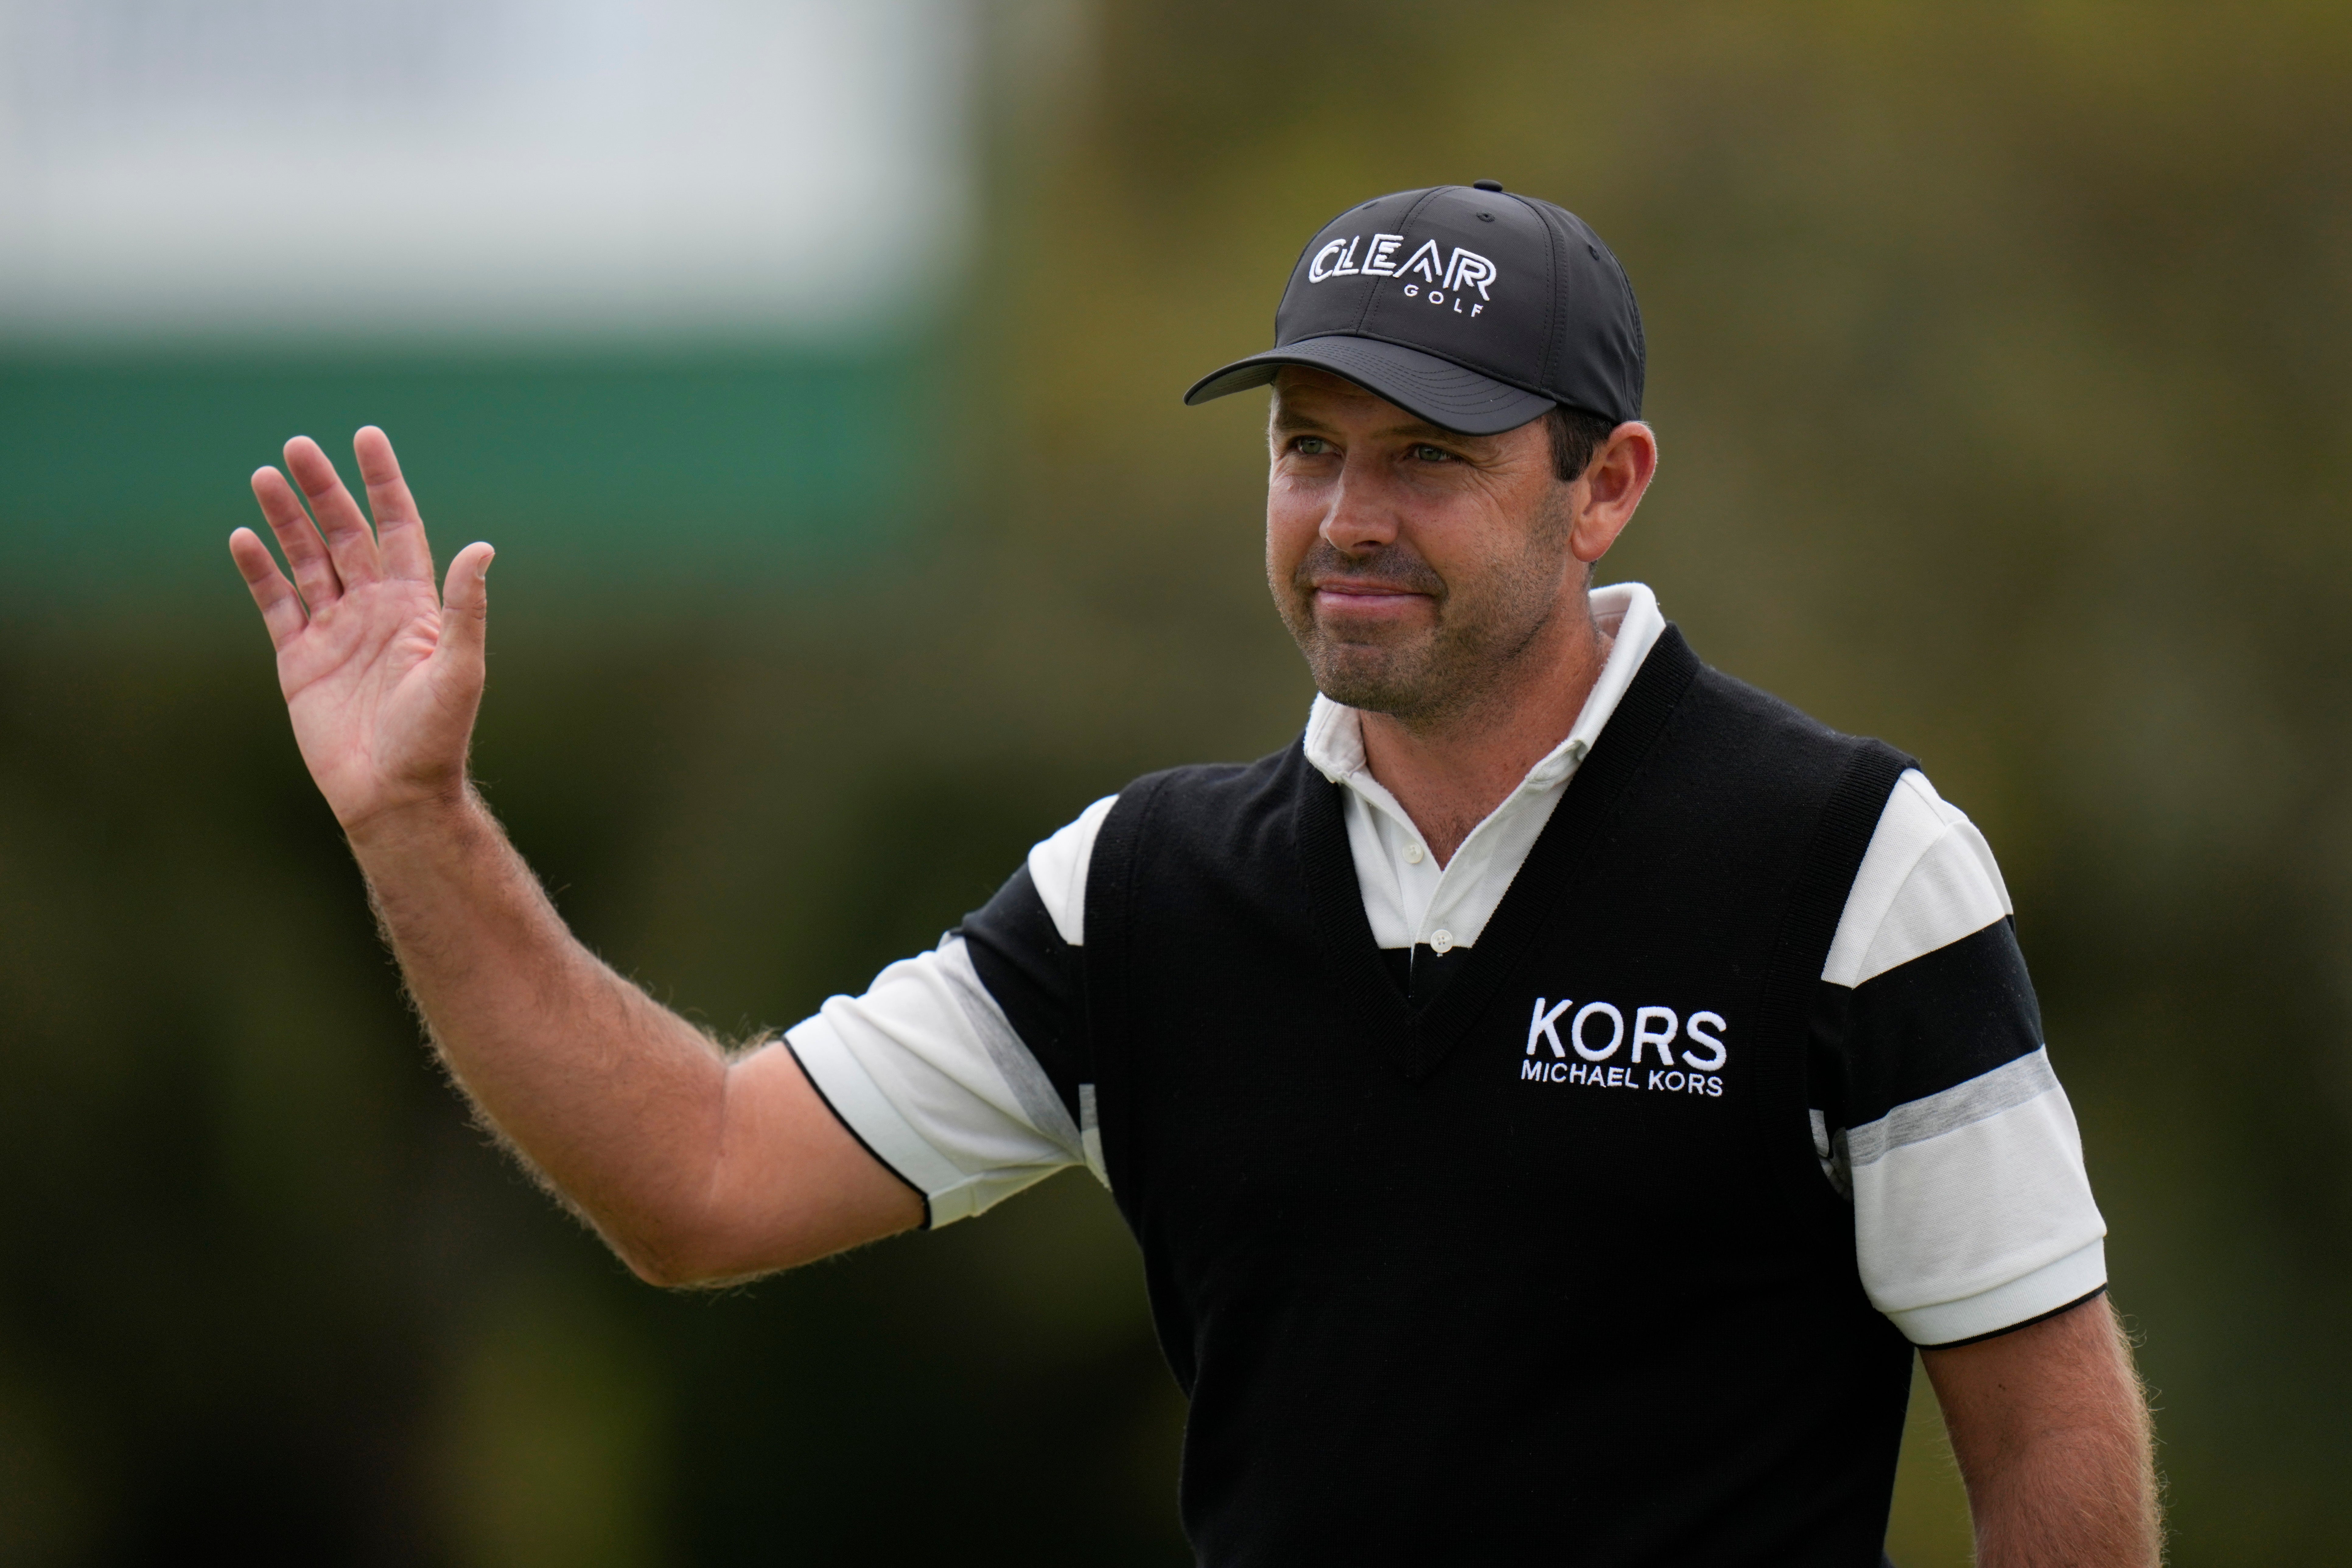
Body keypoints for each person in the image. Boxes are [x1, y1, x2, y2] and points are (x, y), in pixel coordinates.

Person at [228, 182, 2159, 1565]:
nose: (1346, 519)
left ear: (1607, 485)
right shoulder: (1141, 895)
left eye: (1429, 457)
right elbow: (703, 1181)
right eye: (1309, 450)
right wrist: (422, 826)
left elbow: (2050, 1430)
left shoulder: (1851, 863)